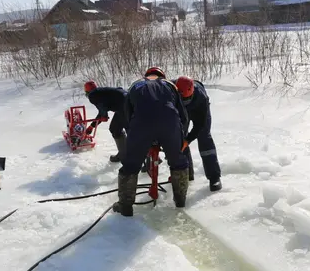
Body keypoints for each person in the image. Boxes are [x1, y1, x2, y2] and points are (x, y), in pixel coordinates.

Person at [112, 67, 190, 217]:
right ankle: (180, 201)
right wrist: (180, 137)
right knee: (178, 162)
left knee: (130, 165)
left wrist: (137, 136)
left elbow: (127, 114)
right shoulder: (170, 85)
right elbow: (183, 116)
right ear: (162, 76)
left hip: (141, 123)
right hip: (170, 122)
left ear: (146, 76)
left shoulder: (136, 85)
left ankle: (125, 206)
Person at [173, 76, 222, 192]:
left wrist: (188, 140)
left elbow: (200, 125)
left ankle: (214, 177)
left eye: (187, 98)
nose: (186, 100)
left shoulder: (201, 97)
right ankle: (186, 173)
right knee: (180, 138)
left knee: (204, 137)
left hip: (198, 111)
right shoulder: (170, 90)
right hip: (180, 111)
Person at [84, 81, 128, 163]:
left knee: (123, 131)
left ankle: (126, 155)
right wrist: (92, 126)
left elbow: (101, 109)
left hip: (125, 108)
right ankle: (124, 154)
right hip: (128, 104)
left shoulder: (92, 95)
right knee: (119, 129)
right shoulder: (102, 91)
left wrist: (104, 115)